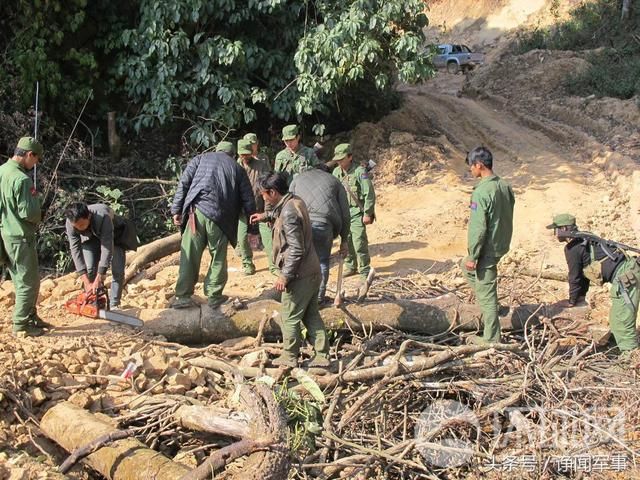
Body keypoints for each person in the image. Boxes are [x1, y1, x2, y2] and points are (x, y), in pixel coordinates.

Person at [250, 173, 329, 367]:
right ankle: (322, 356)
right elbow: (283, 215)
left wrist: (285, 276)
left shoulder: (288, 213)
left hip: (299, 275)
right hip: (312, 271)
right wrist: (265, 216)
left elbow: (296, 248)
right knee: (311, 315)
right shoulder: (294, 201)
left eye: (264, 195)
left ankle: (290, 356)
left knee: (289, 316)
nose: (263, 198)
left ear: (273, 192)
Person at [170, 148, 255, 308]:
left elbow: (184, 184)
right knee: (218, 257)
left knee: (189, 254)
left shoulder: (198, 159)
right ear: (232, 154)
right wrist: (252, 224)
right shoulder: (237, 168)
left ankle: (182, 297)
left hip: (196, 213)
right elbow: (247, 197)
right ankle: (214, 296)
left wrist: (176, 210)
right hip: (220, 217)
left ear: (218, 150)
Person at [548, 213, 639, 355]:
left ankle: (631, 357)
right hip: (629, 271)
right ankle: (621, 348)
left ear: (564, 228)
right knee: (616, 318)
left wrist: (572, 301)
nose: (555, 234)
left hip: (626, 277)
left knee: (622, 321)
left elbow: (575, 276)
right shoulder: (584, 238)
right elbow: (585, 274)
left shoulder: (573, 248)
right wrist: (579, 298)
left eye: (556, 229)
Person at [462, 146, 515, 345]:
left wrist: (473, 256)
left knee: (484, 287)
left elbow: (478, 229)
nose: (470, 170)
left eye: (472, 167)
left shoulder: (481, 192)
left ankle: (491, 337)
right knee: (472, 275)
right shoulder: (504, 185)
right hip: (501, 243)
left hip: (487, 249)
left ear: (480, 165)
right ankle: (490, 302)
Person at [0, 137, 48, 336]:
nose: (35, 164)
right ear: (30, 155)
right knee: (29, 282)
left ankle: (31, 316)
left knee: (20, 278)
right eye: (36, 160)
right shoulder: (22, 179)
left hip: (5, 233)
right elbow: (29, 213)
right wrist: (39, 207)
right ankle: (21, 324)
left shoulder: (2, 170)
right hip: (20, 237)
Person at [290, 166, 350, 303]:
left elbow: (287, 204)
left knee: (300, 260)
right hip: (324, 224)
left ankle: (300, 298)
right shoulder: (334, 181)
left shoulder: (297, 179)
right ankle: (318, 298)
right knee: (322, 261)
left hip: (301, 223)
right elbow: (346, 214)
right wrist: (344, 239)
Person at [64, 202, 138, 309]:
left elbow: (107, 248)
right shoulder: (70, 223)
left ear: (88, 216)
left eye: (81, 225)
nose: (79, 228)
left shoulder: (103, 216)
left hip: (115, 236)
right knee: (90, 268)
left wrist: (100, 276)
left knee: (117, 270)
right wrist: (86, 282)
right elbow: (75, 250)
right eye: (76, 226)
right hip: (90, 238)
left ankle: (114, 304)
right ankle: (94, 301)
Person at [332, 143, 376, 299]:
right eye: (337, 159)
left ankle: (364, 270)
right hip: (343, 213)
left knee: (359, 242)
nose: (339, 162)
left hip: (357, 212)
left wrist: (368, 213)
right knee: (346, 240)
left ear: (350, 157)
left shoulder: (360, 171)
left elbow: (369, 193)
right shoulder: (336, 172)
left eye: (342, 159)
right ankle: (351, 265)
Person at [235, 138, 275, 276]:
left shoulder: (261, 165)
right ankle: (247, 264)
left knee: (268, 239)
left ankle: (274, 265)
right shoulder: (235, 166)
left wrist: (268, 211)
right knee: (242, 238)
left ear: (252, 152)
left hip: (260, 207)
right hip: (242, 210)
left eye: (247, 154)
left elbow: (269, 187)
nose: (244, 157)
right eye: (242, 154)